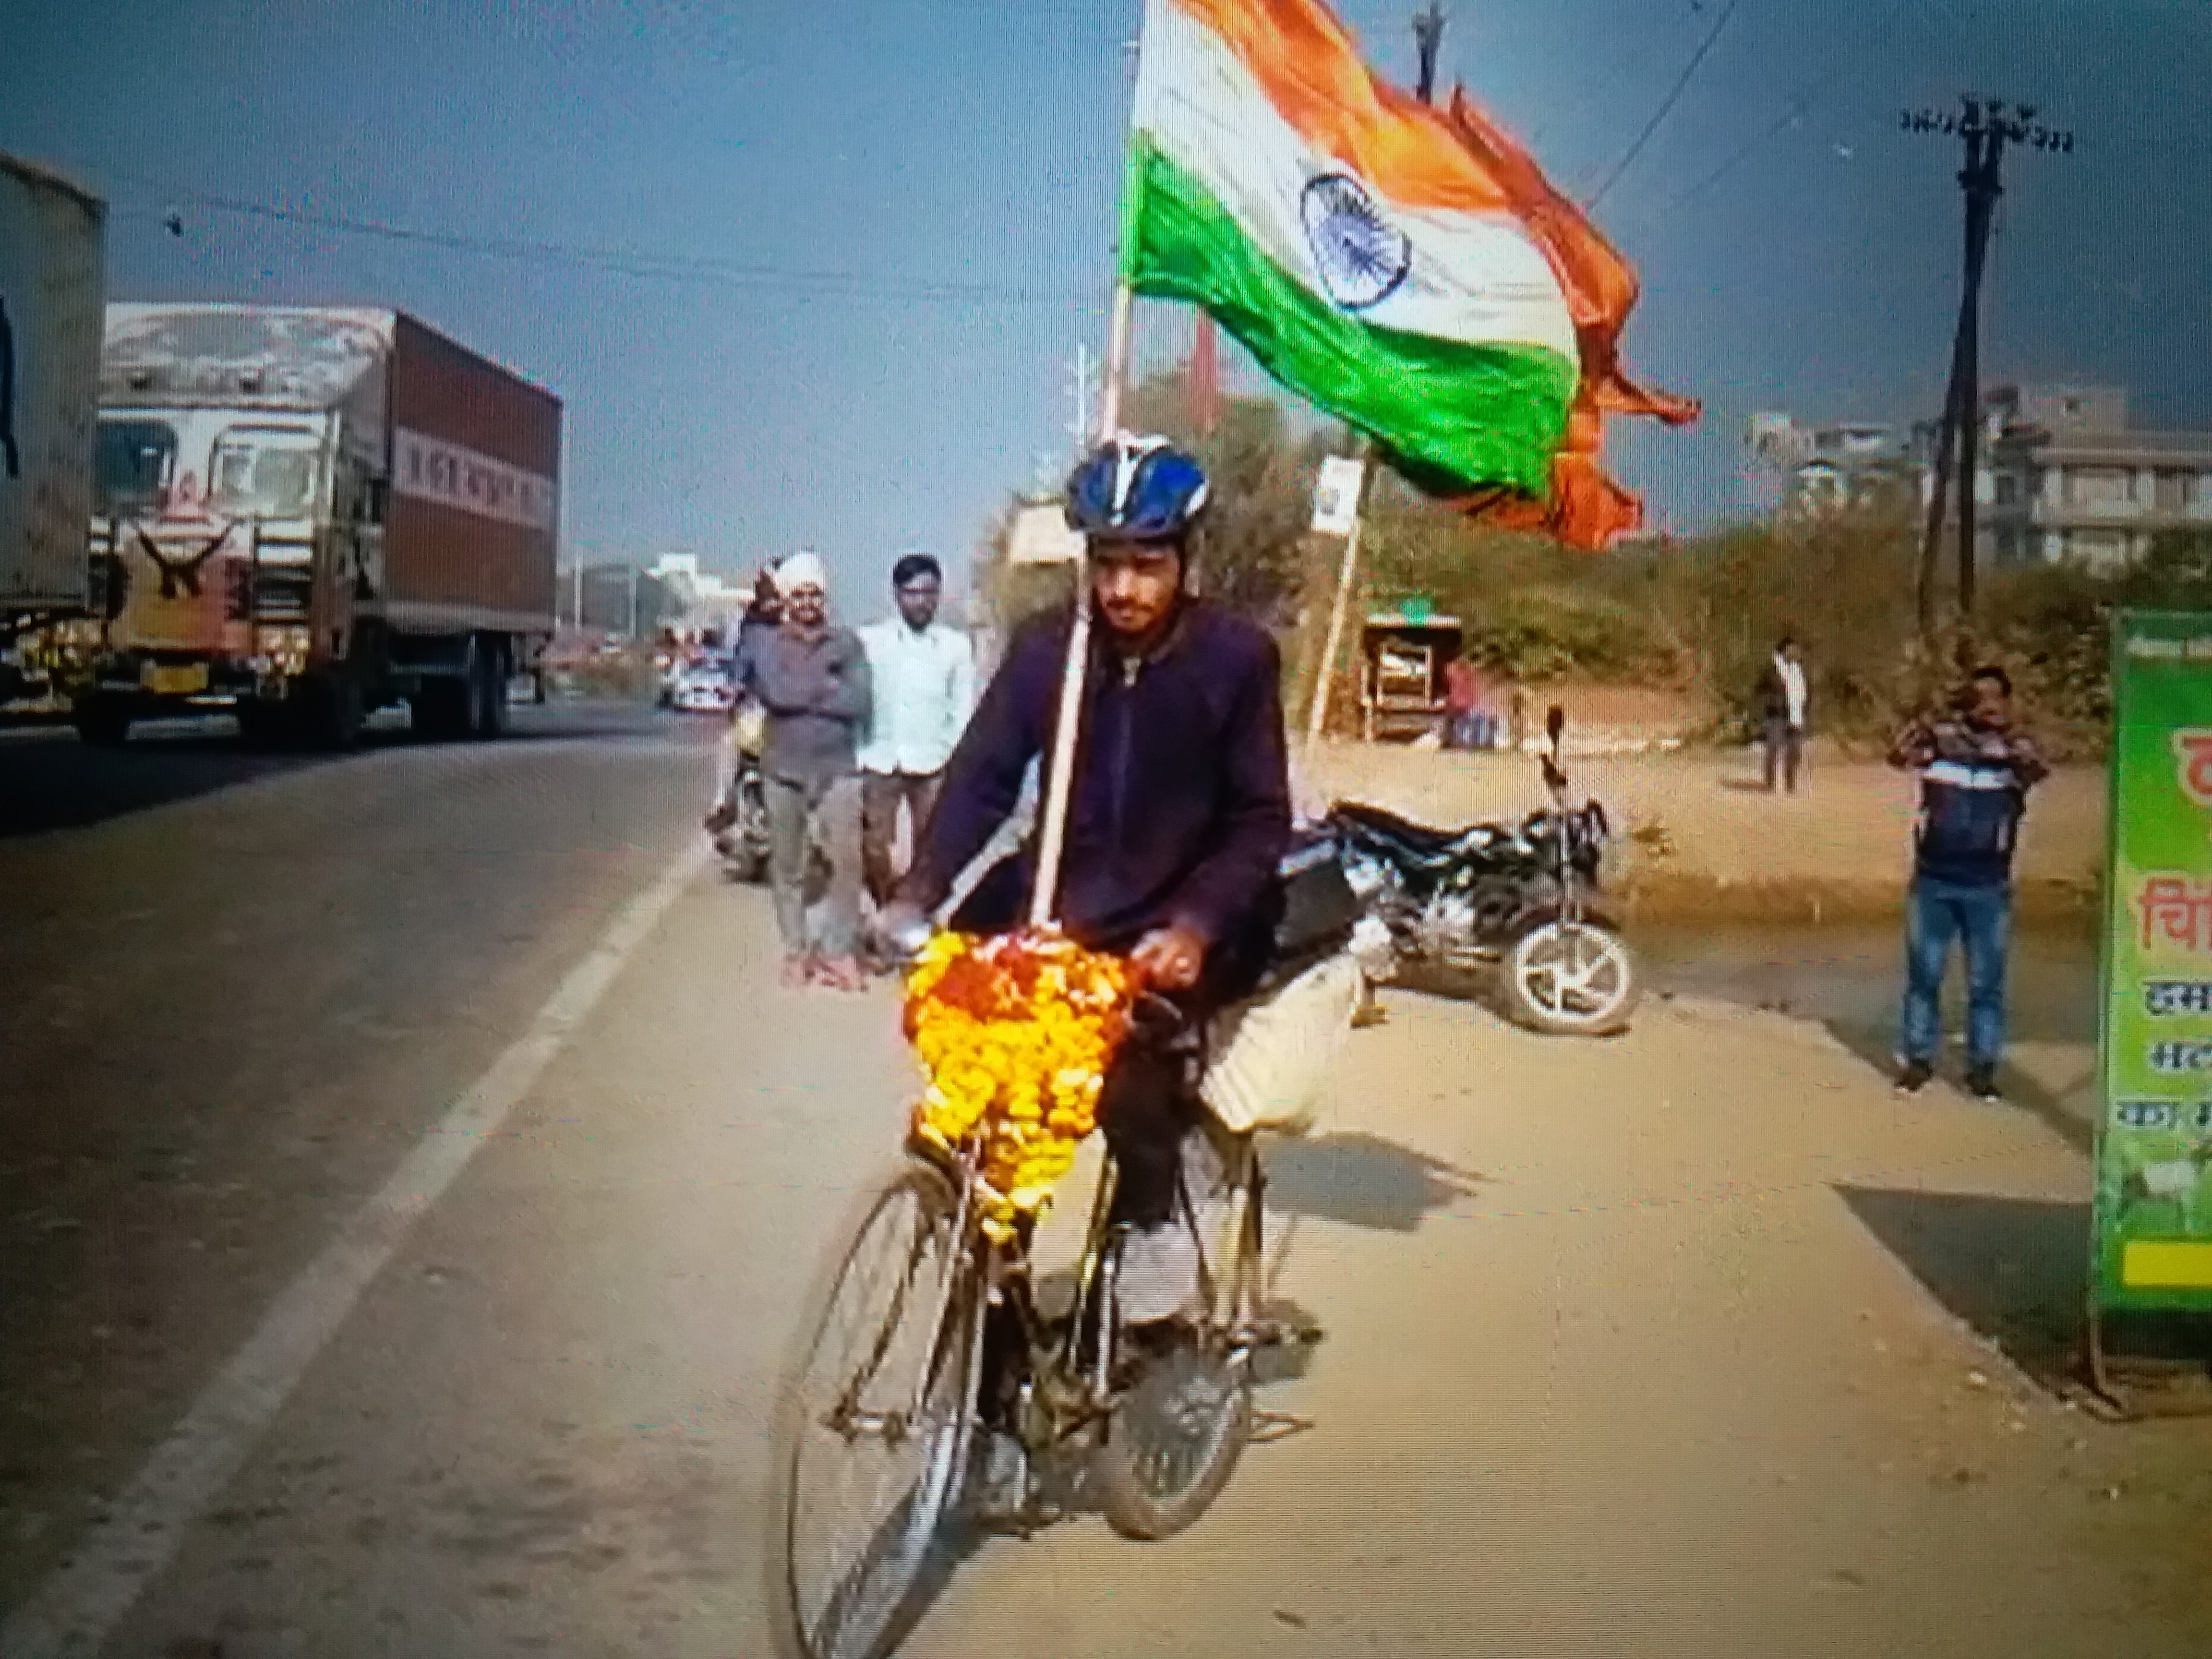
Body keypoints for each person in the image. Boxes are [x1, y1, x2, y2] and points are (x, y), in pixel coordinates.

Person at [882, 434, 1290, 1322]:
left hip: (1183, 913)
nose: (1123, 590)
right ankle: (992, 1326)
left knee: (1121, 1074)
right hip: (1056, 899)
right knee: (973, 1056)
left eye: (1146, 564)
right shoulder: (1047, 651)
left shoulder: (1236, 661)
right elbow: (984, 778)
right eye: (1106, 563)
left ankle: (1154, 1212)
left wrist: (1196, 925)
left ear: (1185, 559)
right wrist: (920, 889)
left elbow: (1260, 820)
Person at [1888, 665, 2048, 1100]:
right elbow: (1898, 755)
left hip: (1988, 888)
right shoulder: (1940, 742)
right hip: (1933, 883)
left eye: (1996, 697)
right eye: (1978, 696)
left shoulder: (2016, 752)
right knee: (1925, 975)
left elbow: (2039, 769)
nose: (1988, 704)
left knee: (1986, 983)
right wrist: (1932, 717)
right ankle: (1918, 1061)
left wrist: (2008, 732)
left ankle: (1982, 1070)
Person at [731, 552, 873, 991]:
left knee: (847, 863)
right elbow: (778, 691)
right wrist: (827, 686)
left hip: (838, 769)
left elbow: (860, 702)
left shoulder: (846, 644)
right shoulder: (768, 645)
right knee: (788, 865)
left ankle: (836, 952)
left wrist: (809, 691)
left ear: (825, 598)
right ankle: (795, 950)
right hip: (782, 767)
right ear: (787, 600)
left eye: (815, 594)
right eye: (799, 594)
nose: (808, 602)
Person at [856, 553, 976, 908]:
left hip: (933, 763)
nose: (922, 601)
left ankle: (921, 915)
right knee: (873, 847)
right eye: (913, 592)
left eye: (930, 592)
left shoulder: (955, 646)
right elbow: (853, 695)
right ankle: (887, 905)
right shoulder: (871, 642)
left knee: (935, 848)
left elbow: (961, 709)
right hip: (880, 759)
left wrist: (955, 760)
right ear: (897, 594)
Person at [1755, 635, 1809, 793]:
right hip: (1776, 714)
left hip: (1795, 715)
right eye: (1791, 649)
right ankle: (1770, 784)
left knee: (1795, 751)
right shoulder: (1771, 669)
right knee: (1773, 749)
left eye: (1796, 649)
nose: (1795, 652)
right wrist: (1768, 706)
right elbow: (1760, 691)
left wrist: (1803, 710)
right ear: (1784, 650)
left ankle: (1790, 784)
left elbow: (1805, 692)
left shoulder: (1798, 669)